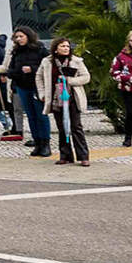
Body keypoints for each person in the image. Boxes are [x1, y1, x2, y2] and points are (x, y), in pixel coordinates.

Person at [38, 37, 91, 166]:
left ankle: (83, 156)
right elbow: (38, 77)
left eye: (67, 46)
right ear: (55, 49)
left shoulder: (76, 61)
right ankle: (65, 155)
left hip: (72, 98)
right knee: (62, 127)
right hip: (56, 98)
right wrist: (42, 93)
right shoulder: (47, 62)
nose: (66, 48)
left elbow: (86, 77)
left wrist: (69, 80)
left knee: (75, 127)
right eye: (62, 46)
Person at [0, 26, 52, 156]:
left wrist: (32, 69)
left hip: (37, 87)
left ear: (28, 36)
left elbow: (48, 66)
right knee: (30, 116)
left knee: (41, 115)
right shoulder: (16, 52)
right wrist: (15, 73)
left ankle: (46, 143)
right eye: (16, 37)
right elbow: (10, 69)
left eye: (21, 36)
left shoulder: (39, 49)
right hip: (22, 86)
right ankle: (37, 142)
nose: (19, 39)